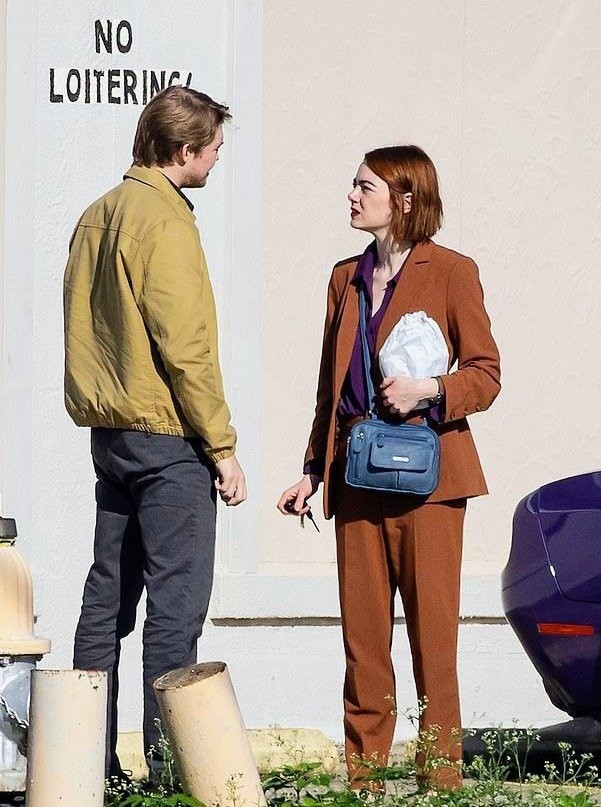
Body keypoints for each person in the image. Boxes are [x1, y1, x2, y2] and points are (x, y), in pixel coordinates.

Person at [277, 145, 500, 790]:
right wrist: (313, 469)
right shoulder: (345, 277)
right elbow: (330, 385)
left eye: (364, 186)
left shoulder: (452, 271)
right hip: (356, 479)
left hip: (431, 483)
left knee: (434, 639)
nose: (351, 195)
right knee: (364, 640)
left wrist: (429, 389)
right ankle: (365, 781)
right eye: (353, 184)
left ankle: (440, 780)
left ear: (404, 199)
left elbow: (486, 373)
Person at [63, 85, 246, 780]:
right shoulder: (164, 221)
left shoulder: (98, 213)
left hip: (111, 436)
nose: (217, 158)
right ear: (184, 149)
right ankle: (170, 774)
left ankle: (82, 765)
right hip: (167, 437)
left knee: (105, 600)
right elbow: (186, 348)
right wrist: (222, 448)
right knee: (175, 608)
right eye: (213, 148)